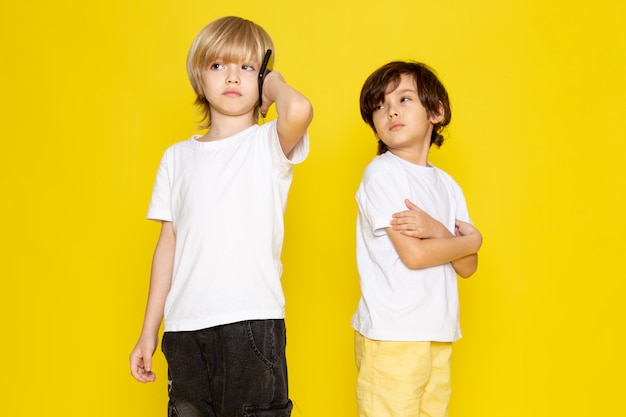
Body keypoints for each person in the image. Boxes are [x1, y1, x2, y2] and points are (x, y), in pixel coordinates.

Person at [129, 16, 313, 417]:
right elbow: (168, 244)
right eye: (218, 66)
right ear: (200, 77)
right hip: (185, 328)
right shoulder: (177, 158)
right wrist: (149, 331)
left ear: (262, 79)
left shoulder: (268, 144)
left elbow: (299, 108)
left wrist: (275, 84)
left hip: (251, 323)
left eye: (247, 67)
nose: (233, 77)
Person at [351, 61, 482, 417]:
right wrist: (472, 241)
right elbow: (415, 255)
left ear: (436, 112)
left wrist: (438, 231)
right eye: (379, 106)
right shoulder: (382, 175)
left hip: (438, 332)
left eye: (404, 99)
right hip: (393, 334)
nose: (390, 109)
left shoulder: (447, 185)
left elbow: (467, 267)